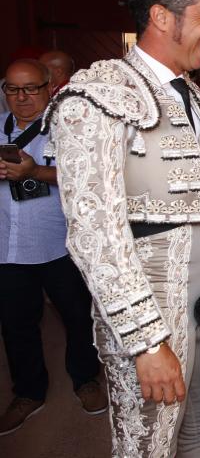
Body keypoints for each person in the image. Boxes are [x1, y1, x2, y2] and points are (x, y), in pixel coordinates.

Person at [46, 0, 200, 457]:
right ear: (162, 17)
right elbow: (94, 233)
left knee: (197, 432)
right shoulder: (97, 96)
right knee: (147, 443)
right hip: (150, 314)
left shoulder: (188, 94)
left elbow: (195, 204)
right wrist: (146, 342)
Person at [0, 59, 107, 436]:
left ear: (49, 88)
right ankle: (29, 393)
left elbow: (91, 178)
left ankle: (86, 380)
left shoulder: (68, 129)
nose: (22, 97)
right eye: (13, 89)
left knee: (79, 317)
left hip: (60, 245)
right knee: (16, 325)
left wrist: (34, 172)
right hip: (8, 249)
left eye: (30, 88)